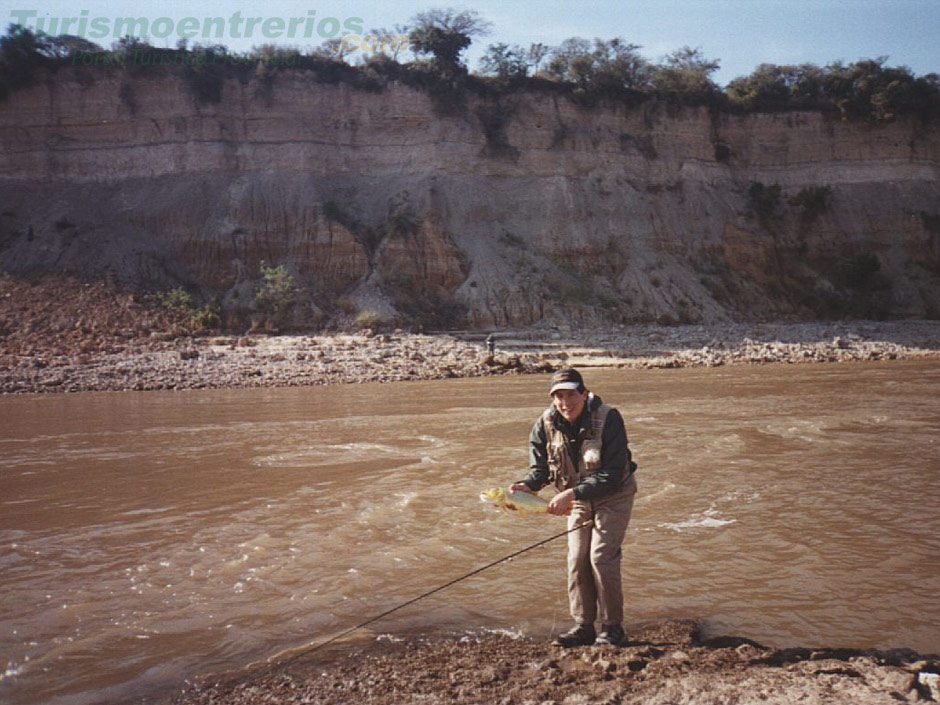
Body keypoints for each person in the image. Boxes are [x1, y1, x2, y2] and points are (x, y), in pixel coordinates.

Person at [509, 368, 638, 647]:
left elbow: (614, 473)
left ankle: (613, 628)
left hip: (614, 496)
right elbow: (540, 470)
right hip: (578, 499)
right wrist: (526, 488)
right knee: (577, 559)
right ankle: (584, 626)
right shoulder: (543, 424)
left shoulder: (609, 417)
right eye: (559, 396)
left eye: (571, 395)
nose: (565, 403)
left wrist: (570, 494)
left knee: (600, 558)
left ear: (584, 392)